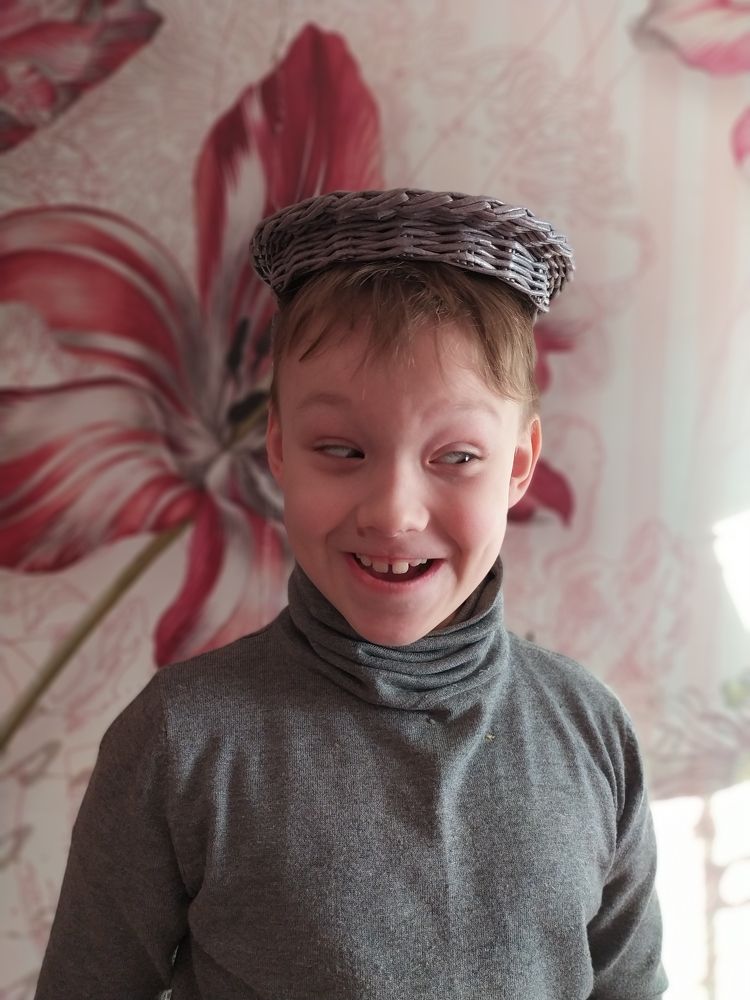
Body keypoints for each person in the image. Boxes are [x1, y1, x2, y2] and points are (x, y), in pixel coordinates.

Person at [34, 189, 667, 999]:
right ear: (279, 448)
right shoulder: (180, 740)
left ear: (517, 465)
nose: (394, 513)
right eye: (341, 449)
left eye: (457, 458)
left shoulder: (591, 732)